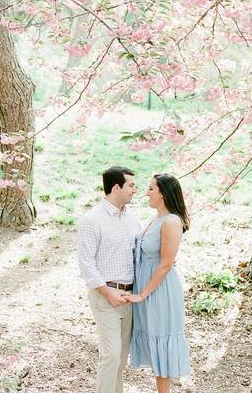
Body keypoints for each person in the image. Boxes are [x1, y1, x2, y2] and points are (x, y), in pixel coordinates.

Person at [77, 166, 142, 393]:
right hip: (105, 296)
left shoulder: (133, 219)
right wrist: (107, 292)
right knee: (111, 356)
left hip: (129, 297)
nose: (135, 190)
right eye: (131, 185)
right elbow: (86, 264)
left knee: (121, 359)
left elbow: (141, 255)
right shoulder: (92, 220)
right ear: (116, 187)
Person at [124, 172, 191, 393]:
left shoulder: (171, 221)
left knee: (162, 348)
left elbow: (165, 264)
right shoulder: (155, 220)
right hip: (147, 288)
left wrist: (142, 294)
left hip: (160, 292)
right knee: (153, 344)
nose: (146, 192)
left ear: (163, 193)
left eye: (151, 188)